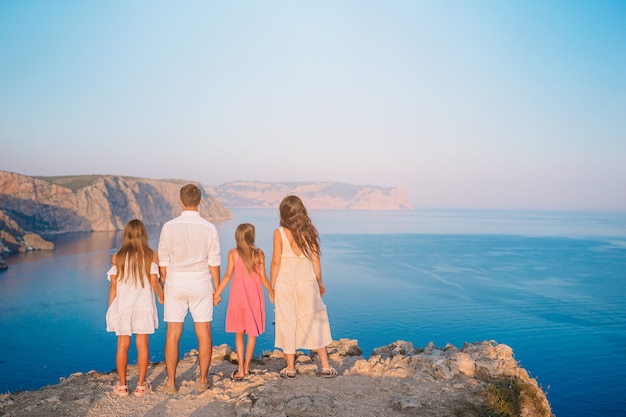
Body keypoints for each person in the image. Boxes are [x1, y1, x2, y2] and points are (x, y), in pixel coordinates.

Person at [157, 184, 221, 393]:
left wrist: (163, 285)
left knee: (173, 333)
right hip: (201, 282)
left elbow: (163, 261)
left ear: (181, 201)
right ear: (200, 201)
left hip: (175, 282)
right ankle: (202, 380)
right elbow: (214, 262)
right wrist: (217, 289)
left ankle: (170, 383)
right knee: (204, 332)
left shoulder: (168, 226)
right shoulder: (209, 227)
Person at [270, 195, 337, 378]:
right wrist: (320, 281)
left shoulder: (279, 233)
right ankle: (325, 366)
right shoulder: (310, 232)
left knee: (287, 322)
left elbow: (276, 262)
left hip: (285, 284)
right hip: (308, 284)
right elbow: (316, 260)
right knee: (315, 321)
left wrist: (271, 286)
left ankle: (290, 368)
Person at [106, 219, 164, 397]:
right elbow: (154, 281)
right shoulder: (151, 255)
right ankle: (140, 386)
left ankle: (122, 386)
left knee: (122, 346)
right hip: (143, 305)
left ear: (126, 235)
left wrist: (111, 309)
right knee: (142, 344)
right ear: (143, 234)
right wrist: (161, 296)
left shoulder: (117, 257)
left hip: (123, 306)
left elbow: (113, 286)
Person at [213, 223, 274, 379]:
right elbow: (263, 278)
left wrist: (216, 294)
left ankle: (240, 370)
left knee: (239, 334)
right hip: (255, 298)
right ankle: (247, 368)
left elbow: (227, 276)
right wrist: (272, 293)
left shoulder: (233, 253)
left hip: (238, 298)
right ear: (252, 236)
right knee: (252, 335)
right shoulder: (259, 254)